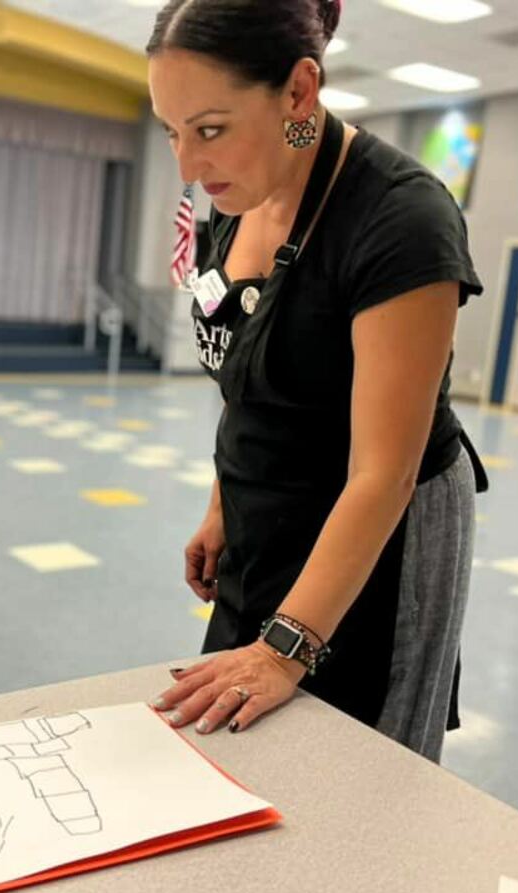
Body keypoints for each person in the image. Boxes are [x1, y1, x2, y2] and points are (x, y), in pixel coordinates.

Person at [146, 0, 487, 762]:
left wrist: (282, 649)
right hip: (267, 511)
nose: (188, 168)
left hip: (381, 530)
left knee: (354, 764)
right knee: (239, 741)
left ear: (299, 92)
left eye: (209, 129)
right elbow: (249, 373)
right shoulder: (240, 201)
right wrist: (222, 502)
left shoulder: (400, 220)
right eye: (171, 131)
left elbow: (384, 473)